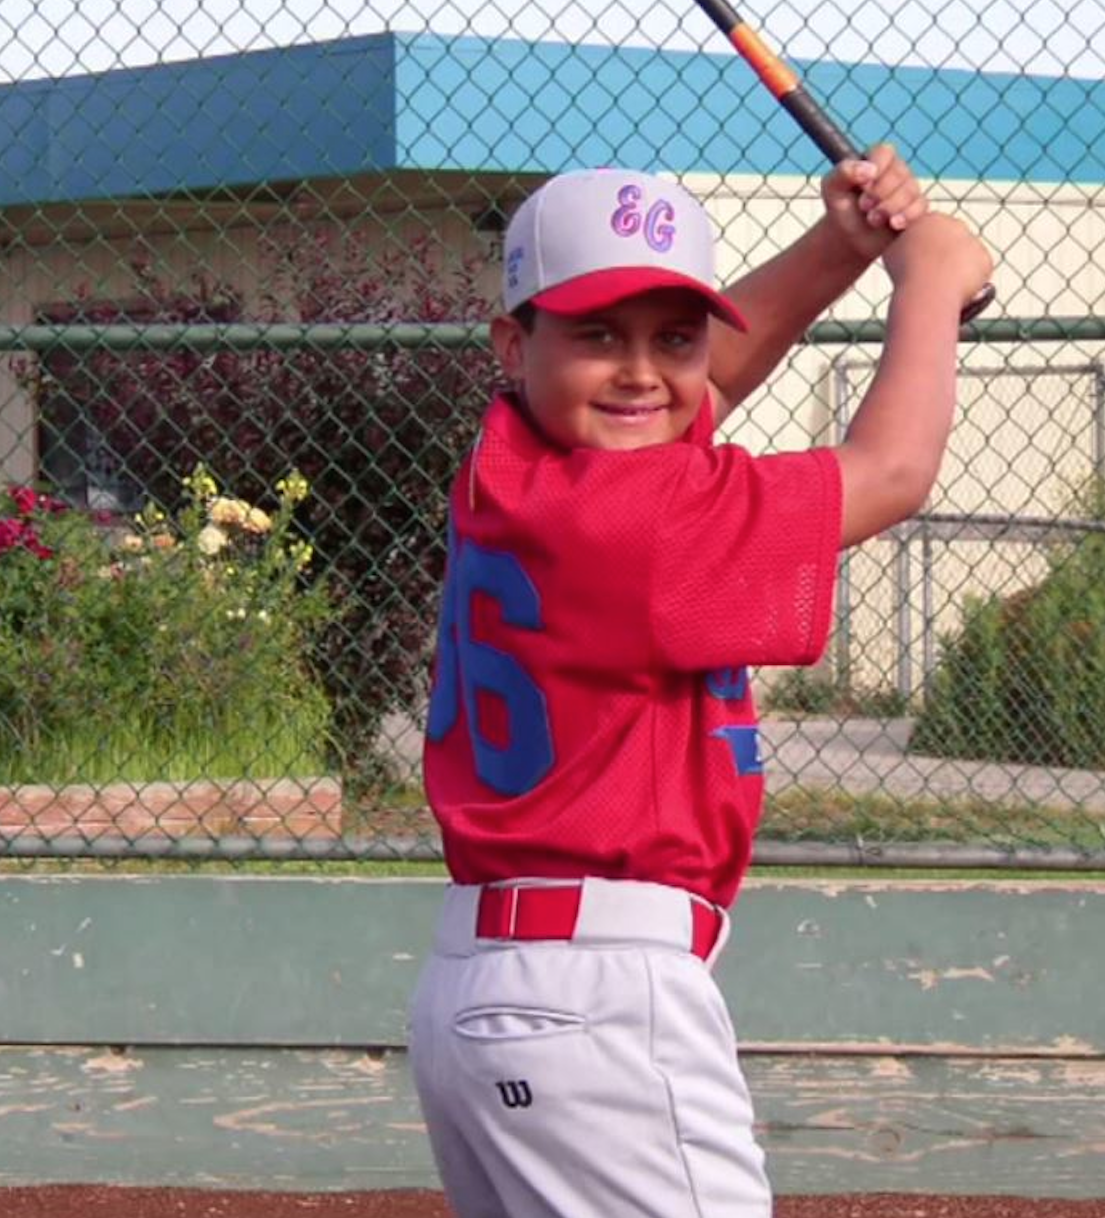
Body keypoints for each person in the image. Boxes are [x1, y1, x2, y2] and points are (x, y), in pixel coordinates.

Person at [410, 150, 994, 1217]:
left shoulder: (512, 460)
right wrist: (930, 283)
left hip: (491, 985)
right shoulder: (640, 520)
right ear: (513, 342)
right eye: (596, 334)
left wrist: (838, 249)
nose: (641, 372)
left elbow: (703, 384)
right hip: (598, 1001)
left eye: (670, 335)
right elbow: (894, 469)